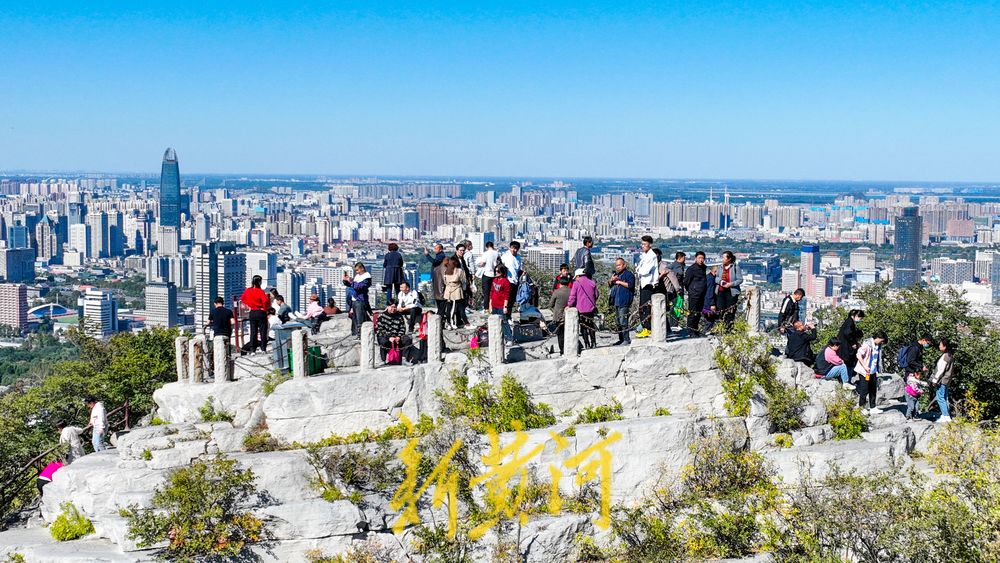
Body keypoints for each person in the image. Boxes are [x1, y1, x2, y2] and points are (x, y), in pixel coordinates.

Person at [855, 330, 888, 413]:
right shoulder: (867, 344)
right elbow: (858, 355)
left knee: (873, 389)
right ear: (878, 338)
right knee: (864, 389)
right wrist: (865, 366)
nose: (882, 342)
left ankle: (873, 407)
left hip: (873, 371)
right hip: (865, 371)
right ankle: (861, 407)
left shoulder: (878, 346)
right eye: (882, 340)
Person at [568, 268, 598, 350]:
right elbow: (596, 295)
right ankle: (594, 342)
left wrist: (569, 305)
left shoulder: (576, 283)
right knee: (591, 326)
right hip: (591, 309)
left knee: (583, 328)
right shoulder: (592, 282)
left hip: (581, 309)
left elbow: (572, 296)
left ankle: (587, 344)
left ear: (578, 276)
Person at [608, 258, 635, 345]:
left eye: (619, 265)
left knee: (623, 321)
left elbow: (630, 285)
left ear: (624, 265)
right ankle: (621, 339)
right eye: (616, 265)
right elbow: (610, 285)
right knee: (618, 322)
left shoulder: (629, 274)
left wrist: (619, 282)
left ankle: (626, 339)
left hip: (624, 300)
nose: (618, 267)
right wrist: (612, 280)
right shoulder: (616, 274)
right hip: (616, 300)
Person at [635, 236, 658, 338]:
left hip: (648, 284)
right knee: (642, 307)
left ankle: (648, 328)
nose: (642, 246)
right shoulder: (644, 255)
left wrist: (638, 270)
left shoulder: (651, 256)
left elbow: (644, 271)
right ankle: (645, 327)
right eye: (642, 244)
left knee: (646, 307)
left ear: (650, 244)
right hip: (643, 283)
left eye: (644, 244)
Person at [240, 275, 270, 354]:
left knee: (253, 331)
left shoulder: (248, 290)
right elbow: (265, 301)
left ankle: (252, 349)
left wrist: (248, 305)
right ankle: (263, 348)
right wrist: (264, 309)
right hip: (261, 312)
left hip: (252, 312)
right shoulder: (260, 291)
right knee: (263, 331)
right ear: (259, 282)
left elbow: (242, 298)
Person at [715, 251, 743, 332]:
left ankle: (729, 329)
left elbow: (740, 280)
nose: (722, 259)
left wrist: (730, 284)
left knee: (730, 311)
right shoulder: (720, 267)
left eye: (724, 257)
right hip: (721, 291)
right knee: (720, 310)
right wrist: (720, 282)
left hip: (731, 292)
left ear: (729, 259)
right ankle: (720, 328)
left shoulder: (735, 267)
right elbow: (716, 278)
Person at [343, 263, 372, 337]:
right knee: (355, 319)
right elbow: (352, 285)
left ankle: (361, 335)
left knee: (360, 319)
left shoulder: (367, 277)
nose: (357, 272)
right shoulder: (358, 276)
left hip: (360, 300)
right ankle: (356, 333)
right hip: (354, 300)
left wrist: (351, 281)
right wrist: (346, 281)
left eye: (357, 270)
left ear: (362, 268)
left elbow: (360, 287)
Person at [549, 266, 572, 354]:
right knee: (569, 332)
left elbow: (550, 304)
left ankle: (562, 350)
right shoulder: (572, 291)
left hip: (558, 316)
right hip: (570, 315)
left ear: (560, 283)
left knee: (560, 334)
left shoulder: (557, 292)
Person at [684, 251, 707, 335]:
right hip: (694, 294)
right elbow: (686, 282)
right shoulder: (692, 269)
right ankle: (690, 330)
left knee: (698, 312)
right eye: (699, 258)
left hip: (702, 294)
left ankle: (695, 329)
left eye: (702, 258)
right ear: (695, 259)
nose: (701, 260)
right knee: (692, 312)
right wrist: (692, 290)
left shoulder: (703, 268)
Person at [932, 338, 954, 423]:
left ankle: (946, 416)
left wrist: (935, 380)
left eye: (940, 345)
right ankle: (944, 414)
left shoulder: (945, 356)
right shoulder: (950, 355)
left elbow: (941, 370)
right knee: (945, 397)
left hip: (942, 380)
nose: (939, 346)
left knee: (940, 398)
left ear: (944, 346)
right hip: (947, 380)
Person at [442, 256, 467, 328]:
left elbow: (445, 282)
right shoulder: (460, 271)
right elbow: (463, 281)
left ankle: (449, 323)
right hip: (457, 290)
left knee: (449, 308)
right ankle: (463, 322)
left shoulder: (446, 271)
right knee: (460, 308)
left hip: (448, 290)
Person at [476, 241, 500, 311]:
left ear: (486, 247)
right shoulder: (496, 253)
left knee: (486, 292)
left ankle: (486, 308)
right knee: (494, 292)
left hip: (487, 274)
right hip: (495, 275)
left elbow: (483, 263)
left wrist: (478, 264)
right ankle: (493, 307)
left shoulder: (485, 253)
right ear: (493, 246)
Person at [425, 244, 447, 316]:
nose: (434, 250)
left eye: (436, 248)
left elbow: (435, 262)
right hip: (437, 278)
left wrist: (427, 255)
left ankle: (441, 312)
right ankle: (440, 311)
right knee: (437, 295)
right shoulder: (439, 255)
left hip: (439, 279)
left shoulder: (441, 256)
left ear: (440, 249)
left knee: (440, 295)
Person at [500, 241, 522, 317]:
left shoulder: (518, 258)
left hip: (515, 281)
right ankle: (504, 316)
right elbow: (500, 267)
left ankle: (508, 315)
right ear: (510, 248)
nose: (514, 250)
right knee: (506, 300)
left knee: (512, 300)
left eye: (516, 248)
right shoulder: (505, 256)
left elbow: (518, 269)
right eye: (512, 248)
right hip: (507, 281)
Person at [454, 243, 475, 311]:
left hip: (464, 280)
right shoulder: (454, 259)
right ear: (456, 250)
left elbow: (465, 269)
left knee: (464, 295)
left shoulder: (462, 259)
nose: (462, 252)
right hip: (458, 282)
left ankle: (464, 308)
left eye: (463, 250)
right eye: (460, 250)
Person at [702, 265, 719, 333]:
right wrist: (712, 304)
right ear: (715, 272)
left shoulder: (708, 277)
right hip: (708, 303)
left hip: (705, 302)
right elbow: (710, 292)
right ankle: (705, 334)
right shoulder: (711, 279)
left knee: (709, 321)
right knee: (710, 321)